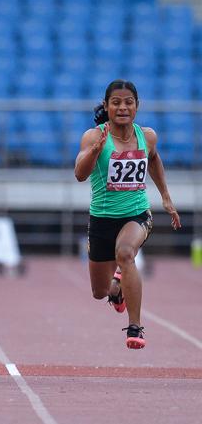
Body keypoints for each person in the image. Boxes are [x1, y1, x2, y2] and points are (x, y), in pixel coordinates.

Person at [74, 79, 181, 349]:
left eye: (128, 102)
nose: (123, 107)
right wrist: (96, 150)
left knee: (125, 253)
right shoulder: (93, 136)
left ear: (137, 106)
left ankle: (135, 327)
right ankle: (117, 289)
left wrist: (166, 197)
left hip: (137, 215)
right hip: (102, 219)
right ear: (107, 106)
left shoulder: (147, 136)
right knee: (100, 292)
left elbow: (154, 158)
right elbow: (79, 174)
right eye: (116, 102)